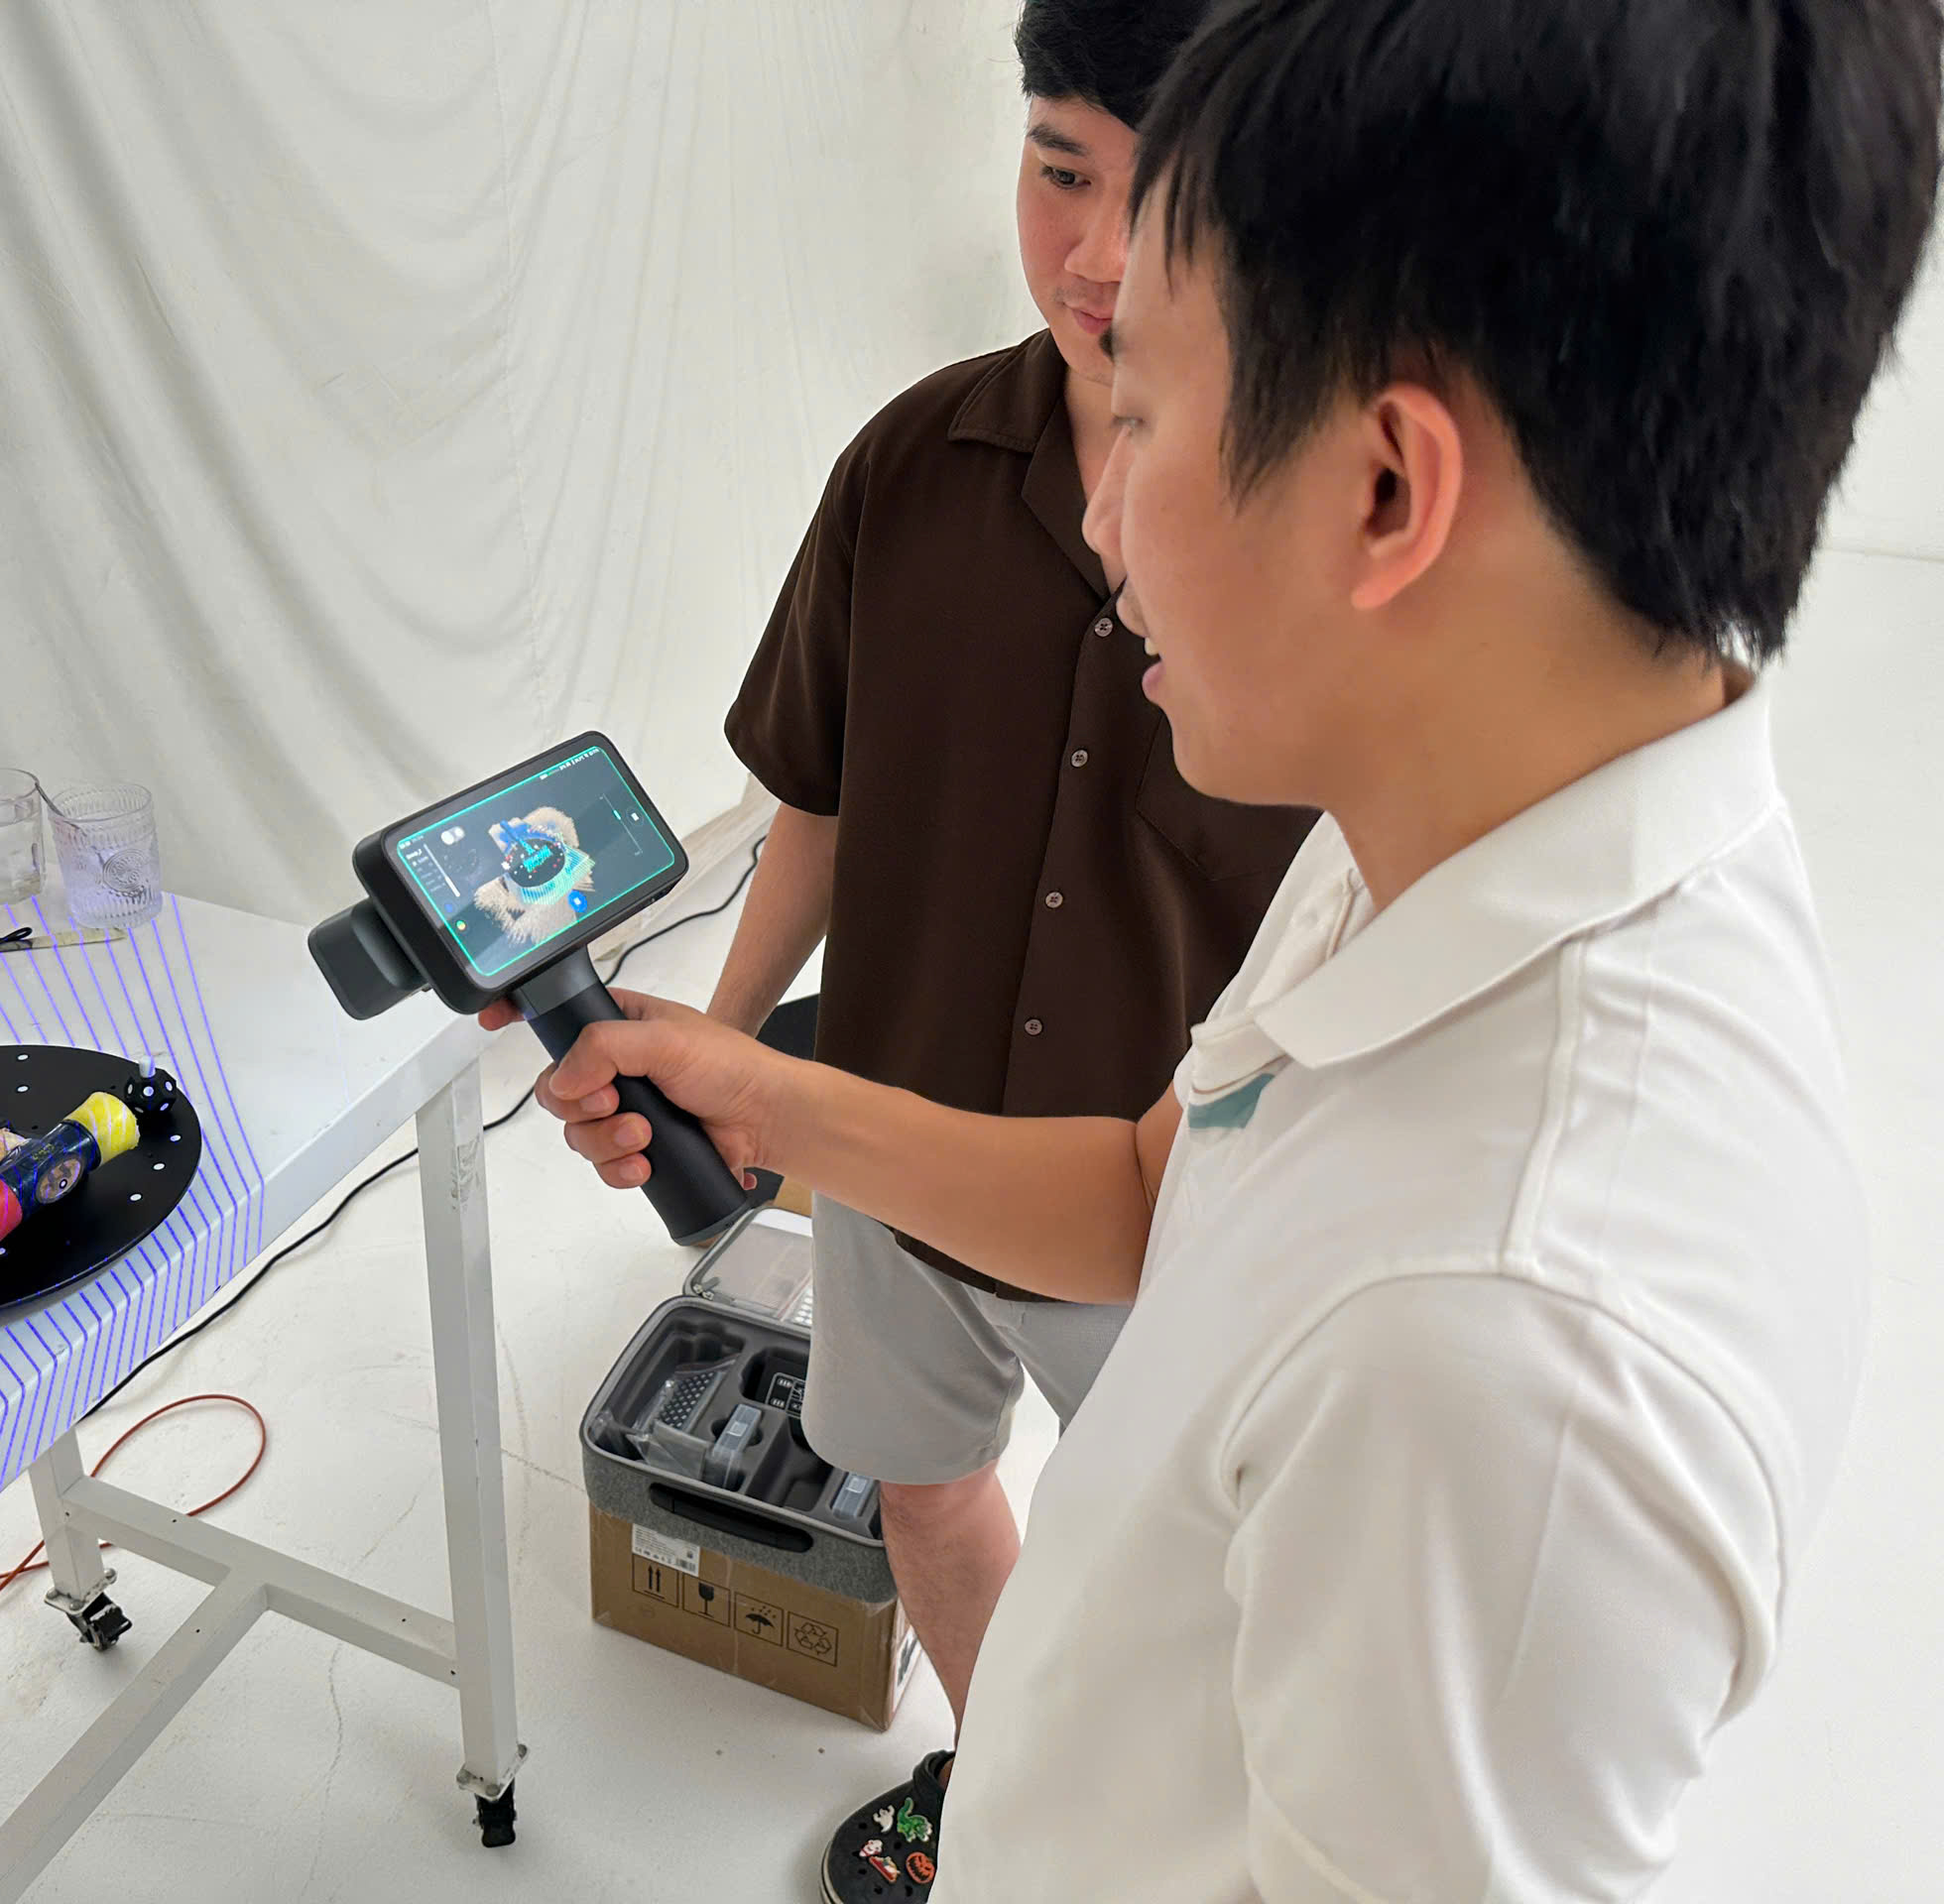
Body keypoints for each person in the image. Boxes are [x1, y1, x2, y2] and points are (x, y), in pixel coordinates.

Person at [504, 0, 1943, 1894]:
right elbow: (1145, 1195)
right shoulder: (1436, 842)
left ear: (1386, 489)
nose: (1100, 522)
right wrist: (766, 1091)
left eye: (1148, 415)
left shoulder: (1506, 1368)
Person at [703, 3, 1311, 1887]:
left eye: (1163, 192)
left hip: (1175, 1217)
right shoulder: (908, 467)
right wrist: (730, 1046)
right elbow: (816, 797)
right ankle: (1010, 1797)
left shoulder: (1322, 545)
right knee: (927, 1488)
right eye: (1059, 172)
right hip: (887, 1151)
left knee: (1193, 1606)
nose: (1096, 256)